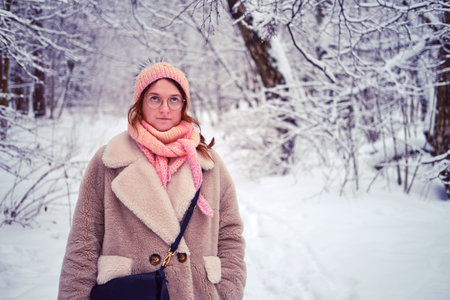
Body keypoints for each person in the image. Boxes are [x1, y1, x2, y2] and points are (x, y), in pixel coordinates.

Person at [58, 62, 246, 299]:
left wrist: (228, 292)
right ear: (140, 104)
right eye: (154, 98)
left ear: (184, 105)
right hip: (129, 290)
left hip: (198, 291)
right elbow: (84, 240)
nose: (164, 108)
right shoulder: (109, 160)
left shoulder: (209, 163)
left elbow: (230, 236)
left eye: (174, 99)